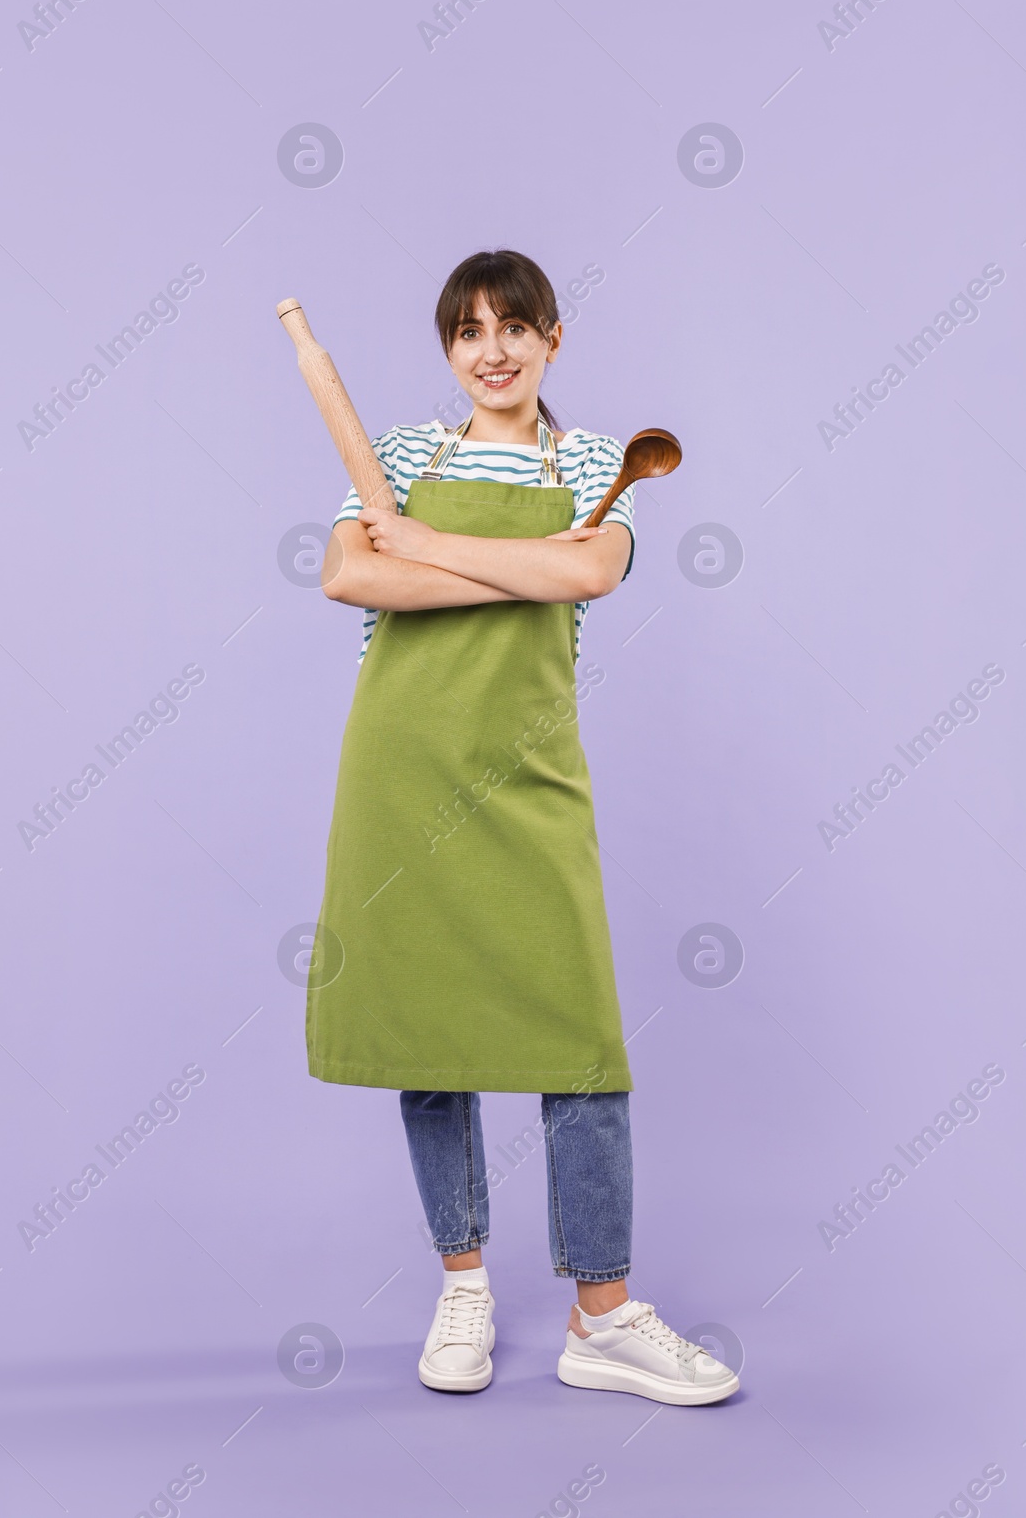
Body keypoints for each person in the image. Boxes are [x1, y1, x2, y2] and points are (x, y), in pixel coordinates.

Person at [308, 249, 736, 1406]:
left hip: (529, 767)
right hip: (401, 763)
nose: (490, 349)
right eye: (468, 331)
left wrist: (430, 547)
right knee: (424, 1035)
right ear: (450, 349)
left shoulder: (600, 461)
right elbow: (350, 578)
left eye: (513, 326)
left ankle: (603, 1312)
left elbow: (591, 570)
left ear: (554, 337)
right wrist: (518, 567)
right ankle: (463, 1285)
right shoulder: (401, 452)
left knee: (580, 1039)